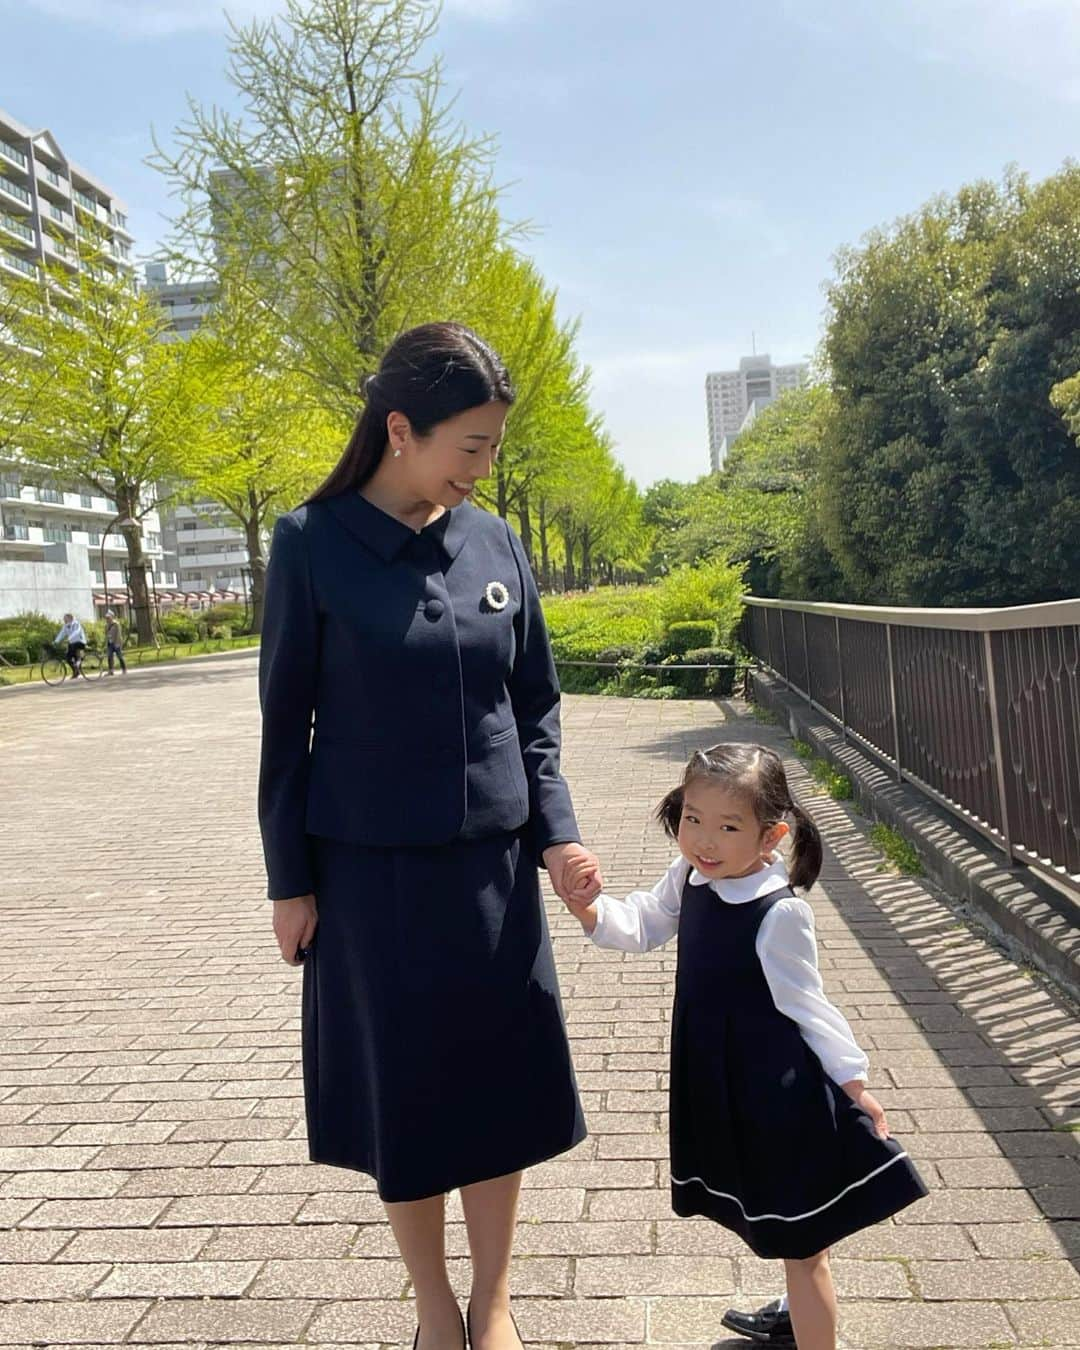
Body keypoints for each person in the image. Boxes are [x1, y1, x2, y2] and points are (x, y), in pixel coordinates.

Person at [258, 321, 602, 1350]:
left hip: (493, 871)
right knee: (405, 1101)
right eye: (472, 447)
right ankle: (433, 1309)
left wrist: (559, 836)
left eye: (494, 447)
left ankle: (493, 1303)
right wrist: (291, 880)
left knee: (499, 1090)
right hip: (370, 878)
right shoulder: (313, 545)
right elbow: (286, 724)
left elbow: (534, 706)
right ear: (400, 430)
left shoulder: (494, 541)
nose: (482, 468)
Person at [561, 742, 927, 1350]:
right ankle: (794, 1312)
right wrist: (590, 910)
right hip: (723, 1078)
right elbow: (647, 920)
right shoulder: (691, 876)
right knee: (789, 1221)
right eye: (692, 818)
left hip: (775, 1092)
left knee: (803, 1243)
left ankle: (811, 1329)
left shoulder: (777, 912)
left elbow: (809, 1006)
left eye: (728, 826)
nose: (704, 839)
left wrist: (855, 1083)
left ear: (770, 836)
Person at [104, 610, 127, 675]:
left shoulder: (116, 624)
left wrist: (118, 643)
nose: (107, 619)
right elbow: (106, 634)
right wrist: (106, 643)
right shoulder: (106, 625)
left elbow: (118, 634)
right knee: (109, 656)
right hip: (110, 643)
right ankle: (111, 670)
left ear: (112, 617)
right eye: (106, 618)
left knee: (119, 656)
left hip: (116, 643)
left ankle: (124, 669)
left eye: (108, 617)